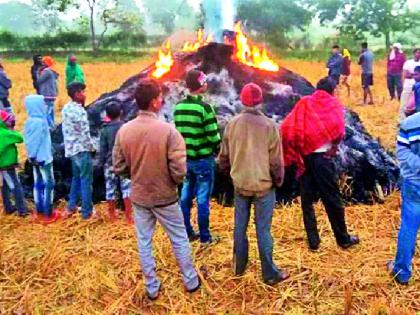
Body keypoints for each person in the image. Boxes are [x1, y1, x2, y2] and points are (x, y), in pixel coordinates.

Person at [113, 79, 200, 300]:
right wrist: (172, 182)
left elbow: (119, 166)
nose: (161, 100)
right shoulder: (168, 132)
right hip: (166, 197)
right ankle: (190, 281)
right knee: (179, 238)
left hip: (140, 197)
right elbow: (179, 168)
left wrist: (137, 177)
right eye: (159, 97)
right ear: (154, 102)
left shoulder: (124, 131)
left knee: (144, 241)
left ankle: (152, 287)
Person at [218, 83, 290, 285]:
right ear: (260, 101)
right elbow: (276, 161)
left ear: (242, 101)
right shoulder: (270, 126)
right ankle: (269, 273)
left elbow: (223, 156)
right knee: (263, 230)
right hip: (263, 186)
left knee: (239, 228)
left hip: (240, 185)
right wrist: (278, 180)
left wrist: (229, 173)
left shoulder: (232, 124)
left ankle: (238, 267)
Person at [281, 77, 360, 250]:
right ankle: (343, 239)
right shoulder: (333, 105)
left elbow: (287, 128)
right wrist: (334, 146)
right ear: (332, 90)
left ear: (317, 89)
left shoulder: (304, 103)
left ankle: (313, 242)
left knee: (307, 200)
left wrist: (298, 149)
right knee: (332, 198)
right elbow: (339, 129)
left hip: (305, 158)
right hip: (323, 159)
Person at [174, 69, 221, 244]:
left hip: (186, 160)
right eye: (205, 82)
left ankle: (186, 232)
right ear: (201, 85)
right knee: (202, 199)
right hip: (203, 160)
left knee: (185, 197)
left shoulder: (178, 107)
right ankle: (205, 237)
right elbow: (213, 136)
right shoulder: (205, 108)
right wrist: (216, 146)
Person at [387, 106, 420, 285]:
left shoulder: (410, 124)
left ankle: (402, 272)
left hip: (414, 184)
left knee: (409, 227)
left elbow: (401, 152)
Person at [61, 82, 96, 220]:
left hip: (71, 150)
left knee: (76, 178)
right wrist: (92, 147)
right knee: (86, 180)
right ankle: (87, 213)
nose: (84, 94)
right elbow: (84, 134)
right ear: (76, 94)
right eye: (82, 92)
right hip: (82, 150)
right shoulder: (80, 111)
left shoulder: (66, 108)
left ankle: (70, 207)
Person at [24, 95, 59, 224]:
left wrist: (31, 157)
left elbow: (27, 141)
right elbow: (35, 141)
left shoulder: (30, 121)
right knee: (49, 185)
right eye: (42, 103)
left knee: (38, 184)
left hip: (35, 160)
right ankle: (48, 212)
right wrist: (34, 156)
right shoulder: (39, 123)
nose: (44, 105)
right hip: (43, 159)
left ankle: (39, 209)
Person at [99, 102, 132, 223]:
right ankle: (129, 216)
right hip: (124, 162)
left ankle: (112, 216)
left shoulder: (105, 130)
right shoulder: (126, 127)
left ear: (107, 114)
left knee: (110, 189)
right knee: (127, 189)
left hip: (109, 163)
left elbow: (102, 149)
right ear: (121, 113)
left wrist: (101, 162)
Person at [0, 110, 28, 217]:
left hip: (1, 166)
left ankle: (8, 207)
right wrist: (11, 130)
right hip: (7, 165)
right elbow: (20, 138)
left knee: (4, 187)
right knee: (15, 186)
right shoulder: (5, 133)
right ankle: (22, 210)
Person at [38, 56, 59, 128]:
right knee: (51, 112)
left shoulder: (47, 71)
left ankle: (52, 127)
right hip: (52, 95)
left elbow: (39, 81)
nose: (42, 64)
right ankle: (53, 125)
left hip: (47, 95)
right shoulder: (52, 71)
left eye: (43, 62)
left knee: (46, 113)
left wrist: (38, 72)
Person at [400, 48, 420, 120]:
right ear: (414, 53)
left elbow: (409, 74)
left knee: (416, 105)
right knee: (404, 104)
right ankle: (402, 120)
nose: (419, 54)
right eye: (417, 53)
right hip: (408, 86)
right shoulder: (408, 62)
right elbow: (405, 75)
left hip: (417, 87)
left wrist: (411, 74)